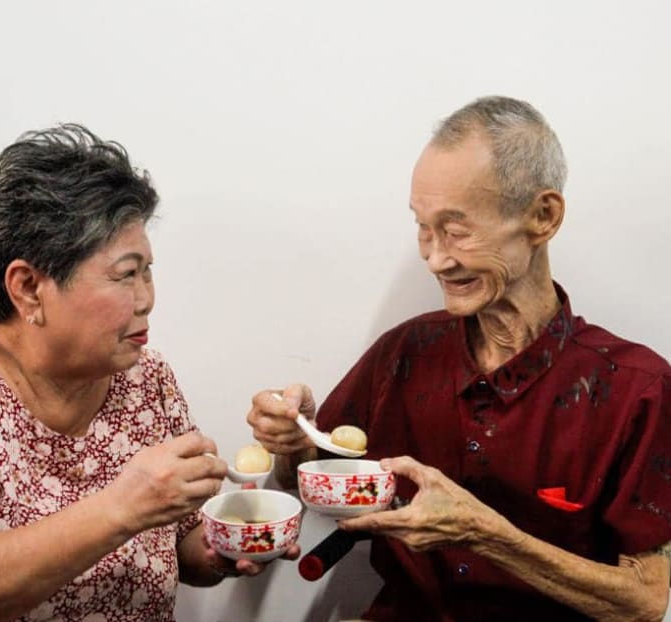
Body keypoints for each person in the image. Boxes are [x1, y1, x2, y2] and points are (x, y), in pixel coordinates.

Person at [247, 96, 671, 621]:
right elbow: (309, 476)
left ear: (543, 216)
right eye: (423, 227)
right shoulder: (404, 354)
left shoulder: (636, 388)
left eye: (456, 228)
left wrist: (487, 535)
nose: (435, 257)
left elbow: (646, 602)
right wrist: (294, 441)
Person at [0, 124, 297, 622]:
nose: (148, 298)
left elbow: (182, 545)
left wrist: (225, 547)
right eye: (126, 274)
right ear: (27, 288)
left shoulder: (146, 381)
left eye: (148, 270)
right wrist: (121, 508)